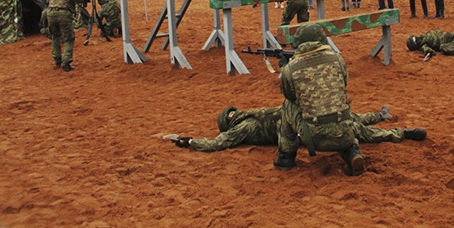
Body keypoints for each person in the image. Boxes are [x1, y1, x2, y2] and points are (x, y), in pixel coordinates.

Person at [274, 24, 366, 176]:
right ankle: (352, 152)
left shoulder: (291, 68)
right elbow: (343, 83)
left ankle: (286, 157)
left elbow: (289, 96)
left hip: (314, 137)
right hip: (345, 133)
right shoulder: (337, 59)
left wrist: (285, 68)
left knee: (287, 106)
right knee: (338, 110)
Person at [169, 104, 426, 152]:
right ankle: (390, 125)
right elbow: (219, 143)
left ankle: (395, 129)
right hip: (302, 121)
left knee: (354, 127)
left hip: (299, 128)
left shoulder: (245, 125)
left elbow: (219, 142)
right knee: (351, 123)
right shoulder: (249, 120)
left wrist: (191, 142)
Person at [46, 0, 84, 72]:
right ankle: (66, 62)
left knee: (55, 36)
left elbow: (48, 0)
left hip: (50, 13)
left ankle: (57, 60)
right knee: (68, 39)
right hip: (64, 13)